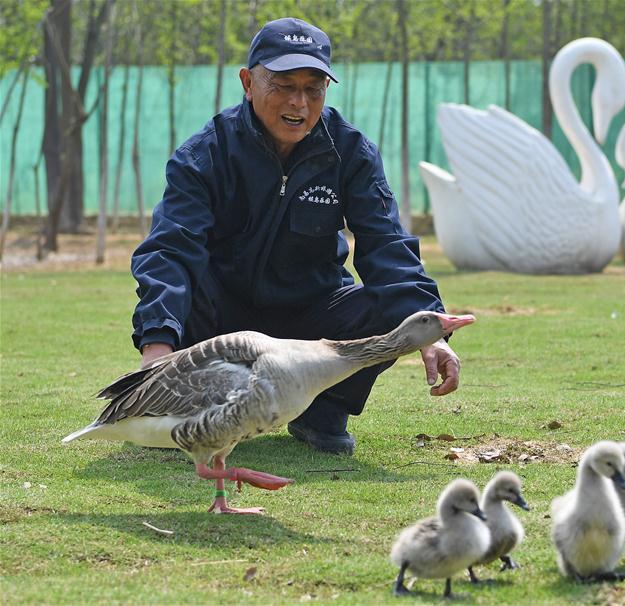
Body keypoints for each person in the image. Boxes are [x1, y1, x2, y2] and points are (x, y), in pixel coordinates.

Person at [130, 17, 462, 455]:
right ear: (248, 82)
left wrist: (429, 332)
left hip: (314, 320)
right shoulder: (204, 155)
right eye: (283, 85)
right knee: (187, 283)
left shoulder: (351, 152)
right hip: (225, 324)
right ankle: (185, 413)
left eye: (314, 88)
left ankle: (322, 408)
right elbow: (170, 250)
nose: (299, 102)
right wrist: (156, 351)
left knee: (389, 307)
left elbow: (387, 244)